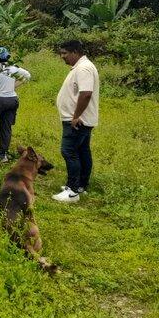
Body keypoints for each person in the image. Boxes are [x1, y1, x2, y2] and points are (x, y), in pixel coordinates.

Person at [52, 40, 99, 203]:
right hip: (80, 119)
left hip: (77, 120)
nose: (62, 56)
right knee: (82, 151)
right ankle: (80, 186)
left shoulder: (84, 68)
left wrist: (76, 116)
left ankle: (72, 191)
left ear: (75, 52)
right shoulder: (81, 67)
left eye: (65, 53)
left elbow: (86, 93)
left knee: (69, 151)